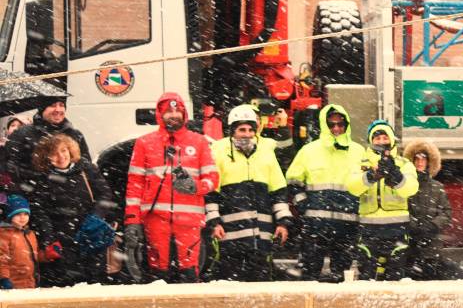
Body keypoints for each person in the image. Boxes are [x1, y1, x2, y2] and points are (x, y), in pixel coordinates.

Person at [123, 92, 219, 283]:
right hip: (155, 219)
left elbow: (213, 178)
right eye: (168, 112)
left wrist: (196, 187)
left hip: (190, 220)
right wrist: (132, 220)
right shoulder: (144, 143)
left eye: (178, 111)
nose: (173, 115)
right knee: (158, 274)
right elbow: (135, 185)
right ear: (159, 114)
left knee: (189, 274)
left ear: (184, 115)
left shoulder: (199, 142)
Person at [205, 104, 293, 281]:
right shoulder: (219, 153)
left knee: (260, 289)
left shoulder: (266, 154)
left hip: (261, 238)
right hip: (230, 238)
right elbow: (211, 193)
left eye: (250, 130)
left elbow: (278, 191)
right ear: (232, 132)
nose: (246, 134)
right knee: (230, 286)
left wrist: (283, 223)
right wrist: (214, 223)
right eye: (241, 130)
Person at [285, 104, 365, 282]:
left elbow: (367, 185)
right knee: (309, 278)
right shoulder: (309, 151)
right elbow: (293, 180)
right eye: (331, 124)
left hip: (347, 226)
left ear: (346, 125)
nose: (336, 128)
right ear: (324, 125)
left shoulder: (359, 152)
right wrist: (303, 204)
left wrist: (359, 209)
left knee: (342, 280)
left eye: (340, 124)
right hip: (316, 225)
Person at [29, 134, 115, 287]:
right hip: (63, 241)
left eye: (63, 150)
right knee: (66, 285)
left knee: (95, 283)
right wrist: (49, 238)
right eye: (54, 154)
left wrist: (96, 217)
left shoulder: (86, 168)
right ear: (46, 158)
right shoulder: (43, 179)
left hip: (91, 235)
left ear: (70, 150)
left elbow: (105, 194)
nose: (61, 157)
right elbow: (40, 211)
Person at [346, 120, 418, 280]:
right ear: (371, 141)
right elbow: (352, 187)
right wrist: (371, 176)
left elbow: (412, 188)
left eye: (385, 137)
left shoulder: (403, 163)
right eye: (377, 138)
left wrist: (396, 177)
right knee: (368, 274)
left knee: (396, 274)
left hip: (396, 227)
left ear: (391, 139)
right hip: (369, 228)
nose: (381, 141)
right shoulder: (362, 164)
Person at [5, 97, 91, 193]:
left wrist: (70, 175)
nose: (58, 109)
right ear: (42, 109)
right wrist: (38, 179)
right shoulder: (21, 134)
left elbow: (87, 166)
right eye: (52, 105)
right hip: (36, 197)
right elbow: (9, 167)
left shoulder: (75, 134)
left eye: (61, 105)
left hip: (75, 197)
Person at [402, 140, 452, 280]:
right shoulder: (404, 186)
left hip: (432, 247)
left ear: (429, 161)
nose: (420, 162)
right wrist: (413, 226)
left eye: (423, 158)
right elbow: (400, 208)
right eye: (416, 158)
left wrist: (432, 226)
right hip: (409, 246)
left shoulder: (437, 187)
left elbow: (446, 213)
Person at [0, 195, 40, 289]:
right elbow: (1, 259)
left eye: (26, 214)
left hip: (30, 284)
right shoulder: (4, 234)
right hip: (12, 285)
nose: (23, 218)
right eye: (18, 214)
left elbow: (32, 257)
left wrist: (46, 255)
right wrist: (4, 278)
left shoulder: (30, 234)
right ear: (10, 216)